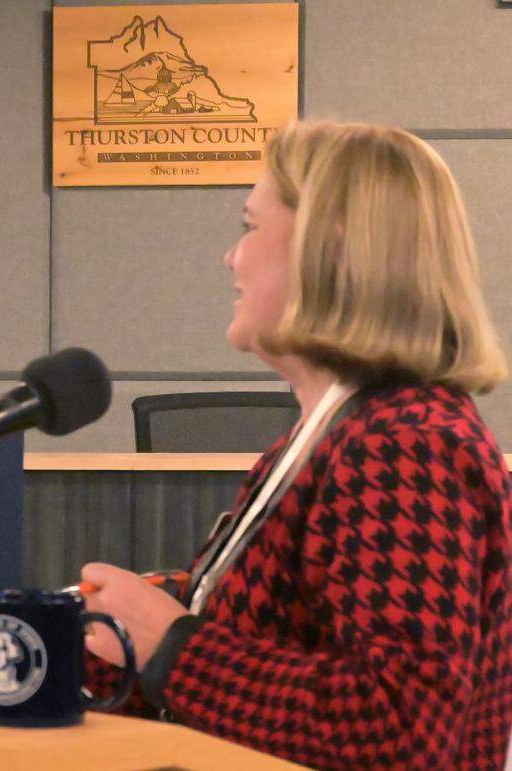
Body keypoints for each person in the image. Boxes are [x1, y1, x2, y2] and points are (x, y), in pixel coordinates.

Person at [80, 121, 512, 769]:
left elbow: (398, 729)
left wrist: (173, 644)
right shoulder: (335, 435)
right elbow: (268, 634)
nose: (232, 257)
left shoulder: (406, 446)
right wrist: (43, 638)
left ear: (328, 248)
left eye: (250, 225)